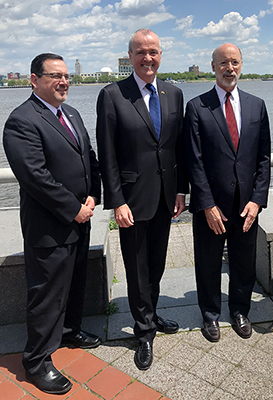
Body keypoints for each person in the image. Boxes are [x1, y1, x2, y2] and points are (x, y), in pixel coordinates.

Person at [3, 53, 101, 394]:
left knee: (74, 282)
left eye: (66, 76)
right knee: (46, 293)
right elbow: (35, 176)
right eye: (55, 76)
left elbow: (88, 156)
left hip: (80, 217)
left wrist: (92, 195)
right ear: (34, 79)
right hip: (50, 225)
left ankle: (70, 330)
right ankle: (37, 361)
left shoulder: (70, 113)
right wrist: (72, 208)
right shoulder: (21, 120)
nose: (63, 81)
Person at [96, 29, 188, 370]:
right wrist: (116, 200)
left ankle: (151, 313)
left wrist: (181, 190)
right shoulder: (112, 95)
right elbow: (107, 154)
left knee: (157, 264)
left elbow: (177, 148)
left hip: (166, 197)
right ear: (130, 57)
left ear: (161, 55)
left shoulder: (173, 93)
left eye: (153, 52)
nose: (147, 58)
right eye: (140, 52)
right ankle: (144, 331)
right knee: (136, 269)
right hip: (131, 200)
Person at [183, 43, 270, 343]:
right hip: (212, 206)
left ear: (241, 65)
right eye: (223, 63)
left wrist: (258, 200)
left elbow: (262, 158)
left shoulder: (257, 105)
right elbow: (193, 160)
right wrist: (206, 204)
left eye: (234, 62)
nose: (229, 68)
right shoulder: (196, 107)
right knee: (207, 262)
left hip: (246, 204)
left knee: (244, 261)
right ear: (213, 67)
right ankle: (210, 315)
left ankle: (240, 311)